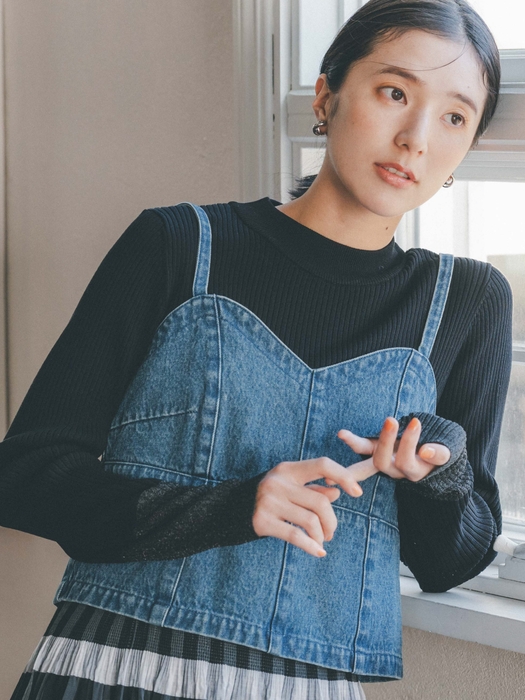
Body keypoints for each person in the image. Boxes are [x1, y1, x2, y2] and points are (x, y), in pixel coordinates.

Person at [0, 0, 512, 698]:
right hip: (112, 670)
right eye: (394, 93)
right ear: (326, 97)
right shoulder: (175, 246)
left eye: (454, 117)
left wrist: (437, 475)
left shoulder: (469, 302)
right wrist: (236, 507)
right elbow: (24, 477)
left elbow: (452, 562)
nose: (414, 138)